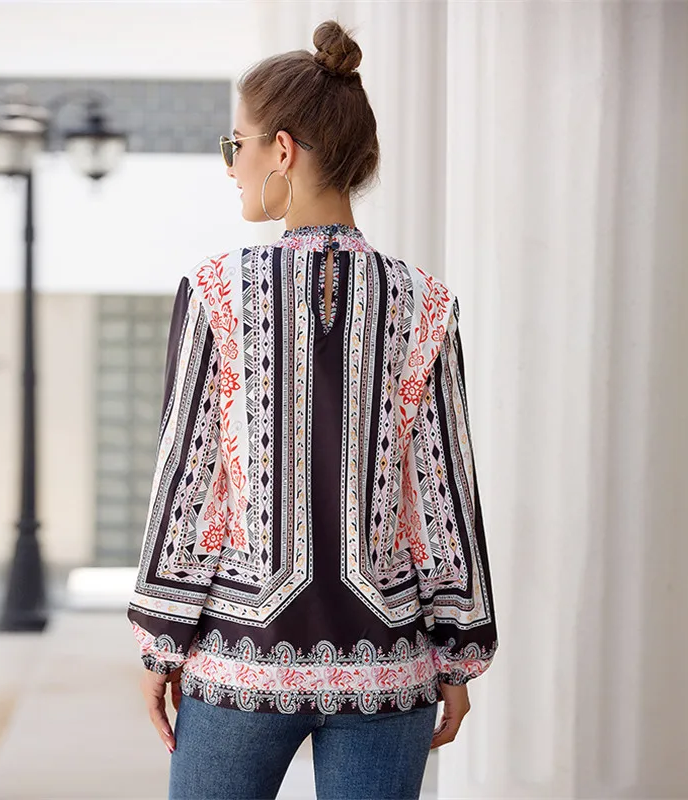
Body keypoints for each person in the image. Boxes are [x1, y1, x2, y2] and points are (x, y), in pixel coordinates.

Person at [127, 18, 498, 800]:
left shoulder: (216, 292)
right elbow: (442, 497)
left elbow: (190, 484)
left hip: (241, 665)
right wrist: (457, 653)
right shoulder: (426, 303)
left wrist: (162, 642)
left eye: (236, 145)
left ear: (283, 151)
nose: (232, 165)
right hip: (388, 666)